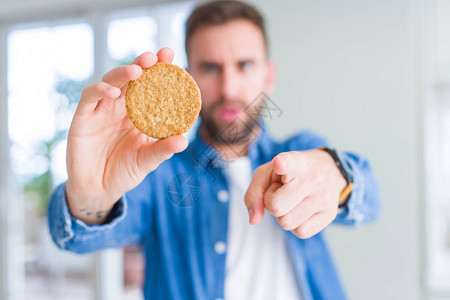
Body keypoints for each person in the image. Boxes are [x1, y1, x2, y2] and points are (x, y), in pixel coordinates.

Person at [48, 1, 380, 299]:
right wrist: (90, 198)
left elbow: (369, 195)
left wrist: (334, 175)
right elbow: (79, 238)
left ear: (269, 75)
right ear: (188, 78)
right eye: (210, 68)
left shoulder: (298, 151)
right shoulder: (153, 172)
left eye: (245, 65)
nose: (229, 88)